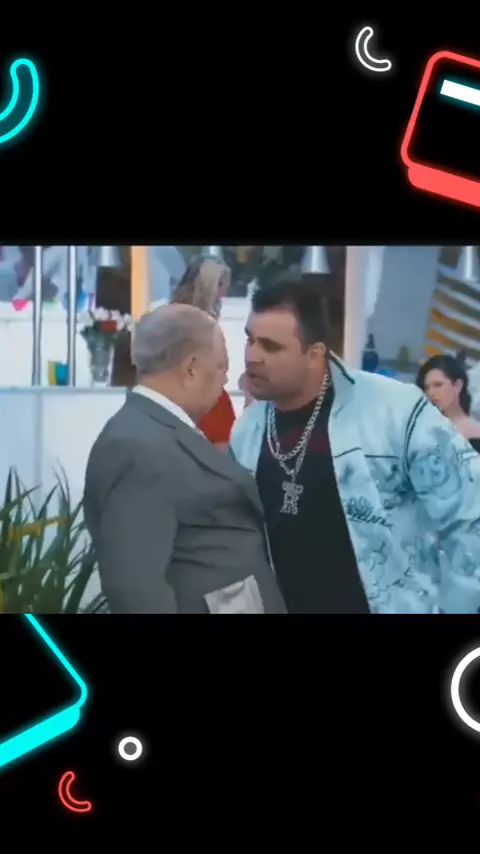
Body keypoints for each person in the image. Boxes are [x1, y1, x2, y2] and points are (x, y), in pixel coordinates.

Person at [229, 280, 480, 614]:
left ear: (314, 354)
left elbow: (471, 514)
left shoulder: (394, 409)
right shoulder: (248, 430)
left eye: (271, 347)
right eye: (250, 339)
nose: (252, 357)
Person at [83, 304, 285, 614]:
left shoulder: (161, 430)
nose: (226, 379)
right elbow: (136, 588)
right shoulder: (138, 448)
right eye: (221, 366)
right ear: (191, 369)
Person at [170, 255, 235, 446]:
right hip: (195, 393)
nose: (224, 292)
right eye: (220, 284)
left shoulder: (182, 314)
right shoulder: (184, 319)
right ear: (207, 284)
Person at [416, 354, 480, 452]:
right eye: (427, 388)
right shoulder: (420, 430)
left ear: (458, 385)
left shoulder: (475, 432)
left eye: (438, 385)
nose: (431, 393)